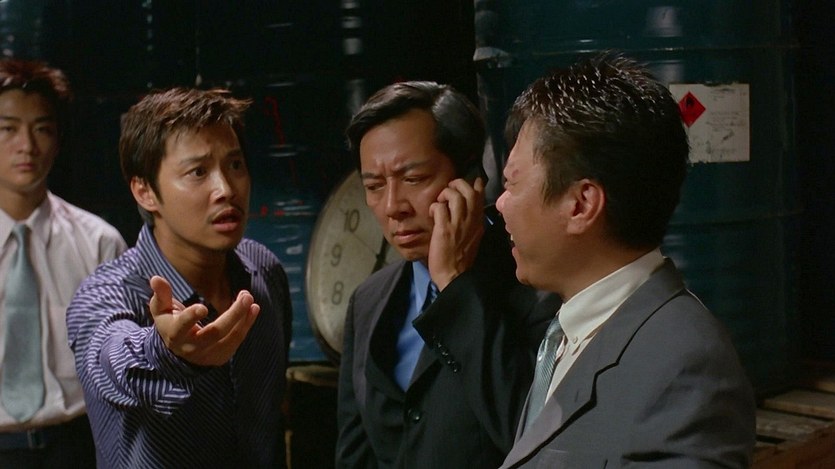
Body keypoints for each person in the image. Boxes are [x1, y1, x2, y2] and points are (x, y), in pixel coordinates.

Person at [496, 53, 757, 468]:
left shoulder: (683, 367)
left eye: (512, 183)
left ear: (581, 204)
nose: (500, 204)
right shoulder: (566, 331)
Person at [66, 87, 292, 468]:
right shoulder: (106, 292)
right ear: (145, 191)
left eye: (235, 165)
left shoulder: (264, 270)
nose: (226, 189)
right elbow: (110, 363)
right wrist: (167, 352)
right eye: (198, 172)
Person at [336, 80, 556, 468]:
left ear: (471, 178)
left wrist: (454, 283)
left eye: (414, 179)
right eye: (374, 186)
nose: (393, 206)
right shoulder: (368, 302)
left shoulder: (539, 288)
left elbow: (533, 437)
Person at [0, 58, 127, 468]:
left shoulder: (99, 243)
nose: (27, 145)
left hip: (75, 447)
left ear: (58, 140)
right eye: (7, 129)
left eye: (42, 129)